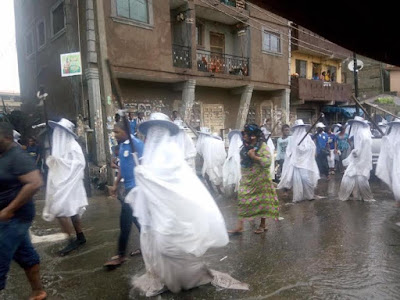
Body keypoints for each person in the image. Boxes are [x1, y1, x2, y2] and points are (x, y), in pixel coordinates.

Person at [128, 113, 247, 296]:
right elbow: (149, 187)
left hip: (171, 213)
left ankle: (189, 276)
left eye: (159, 131)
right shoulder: (148, 156)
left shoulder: (171, 154)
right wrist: (142, 177)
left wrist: (146, 177)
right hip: (155, 213)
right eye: (153, 132)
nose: (155, 135)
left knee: (170, 246)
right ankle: (166, 277)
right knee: (156, 246)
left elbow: (171, 181)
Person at [0, 123, 47, 300]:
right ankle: (38, 291)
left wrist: (9, 209)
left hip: (13, 217)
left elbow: (35, 183)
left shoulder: (17, 156)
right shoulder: (3, 155)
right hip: (8, 219)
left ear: (7, 138)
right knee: (25, 254)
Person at [43, 118, 88, 256]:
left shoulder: (73, 146)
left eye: (59, 131)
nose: (57, 133)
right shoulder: (60, 147)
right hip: (63, 183)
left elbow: (80, 164)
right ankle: (80, 236)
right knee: (71, 210)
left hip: (72, 183)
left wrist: (60, 162)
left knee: (60, 210)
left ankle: (71, 239)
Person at [104, 121, 144, 268]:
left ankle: (120, 255)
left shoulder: (137, 145)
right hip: (128, 190)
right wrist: (115, 184)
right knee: (139, 221)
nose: (114, 135)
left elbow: (145, 166)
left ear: (126, 132)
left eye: (117, 132)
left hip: (137, 190)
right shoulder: (122, 146)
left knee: (125, 222)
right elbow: (123, 167)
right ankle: (148, 246)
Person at [229, 124, 279, 234]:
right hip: (247, 180)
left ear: (253, 136)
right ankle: (240, 226)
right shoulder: (245, 146)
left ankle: (262, 224)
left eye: (246, 134)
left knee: (262, 202)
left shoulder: (263, 147)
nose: (244, 136)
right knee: (242, 200)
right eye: (244, 134)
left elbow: (267, 162)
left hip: (260, 180)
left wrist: (254, 157)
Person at [278, 120, 320, 202]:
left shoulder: (307, 137)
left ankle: (310, 195)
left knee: (306, 178)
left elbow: (312, 147)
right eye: (298, 128)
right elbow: (289, 150)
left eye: (301, 127)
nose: (300, 129)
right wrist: (292, 153)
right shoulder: (293, 139)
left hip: (305, 162)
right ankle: (299, 196)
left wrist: (303, 149)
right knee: (297, 180)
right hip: (296, 162)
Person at [338, 116, 375, 201]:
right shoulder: (361, 133)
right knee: (350, 177)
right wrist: (355, 153)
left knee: (360, 179)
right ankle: (357, 196)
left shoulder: (362, 133)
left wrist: (356, 152)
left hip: (362, 162)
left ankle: (365, 197)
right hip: (357, 161)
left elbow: (363, 146)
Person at [376, 119, 400, 206]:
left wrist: (385, 140)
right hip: (396, 164)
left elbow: (390, 153)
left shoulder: (391, 138)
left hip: (396, 165)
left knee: (397, 180)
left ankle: (398, 201)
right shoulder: (391, 138)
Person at [197, 131, 226, 196]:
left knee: (208, 175)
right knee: (216, 176)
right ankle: (218, 190)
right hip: (216, 162)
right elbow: (223, 154)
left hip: (208, 162)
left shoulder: (205, 142)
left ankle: (212, 189)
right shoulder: (218, 143)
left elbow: (201, 153)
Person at [222, 130, 242, 194]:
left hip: (234, 162)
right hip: (236, 162)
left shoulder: (233, 145)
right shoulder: (241, 144)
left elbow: (230, 154)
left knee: (233, 176)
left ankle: (234, 191)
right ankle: (237, 191)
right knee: (237, 176)